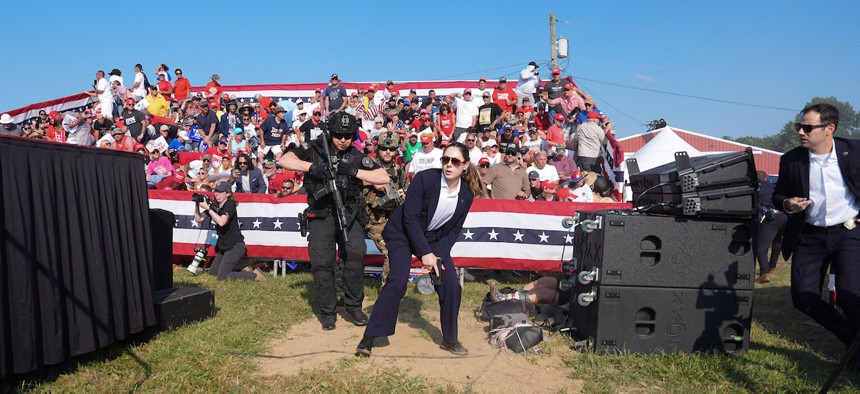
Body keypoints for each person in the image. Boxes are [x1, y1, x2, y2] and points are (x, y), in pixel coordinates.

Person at [356, 142, 484, 358]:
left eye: (455, 161)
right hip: (402, 233)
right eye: (445, 159)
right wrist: (425, 253)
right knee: (397, 280)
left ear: (465, 165)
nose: (449, 165)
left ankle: (450, 339)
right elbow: (410, 218)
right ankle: (369, 337)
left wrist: (438, 255)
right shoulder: (425, 179)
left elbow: (454, 230)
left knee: (451, 285)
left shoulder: (466, 194)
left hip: (434, 240)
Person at [278, 112, 390, 331]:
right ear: (331, 133)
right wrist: (312, 167)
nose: (343, 139)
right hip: (321, 215)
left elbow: (383, 177)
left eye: (348, 135)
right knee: (322, 263)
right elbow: (284, 160)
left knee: (355, 257)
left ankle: (354, 307)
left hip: (349, 216)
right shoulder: (314, 149)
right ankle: (328, 312)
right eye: (339, 134)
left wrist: (355, 172)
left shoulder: (356, 156)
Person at [773, 103, 860, 362]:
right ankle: (852, 339)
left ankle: (856, 355)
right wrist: (787, 204)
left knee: (849, 295)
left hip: (849, 232)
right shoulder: (790, 159)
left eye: (807, 127)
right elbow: (779, 194)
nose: (801, 131)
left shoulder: (854, 151)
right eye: (798, 126)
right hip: (809, 235)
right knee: (803, 297)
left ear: (829, 129)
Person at [194, 181, 267, 282]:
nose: (216, 194)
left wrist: (208, 208)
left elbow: (222, 222)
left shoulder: (230, 204)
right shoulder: (214, 206)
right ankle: (242, 268)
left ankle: (253, 276)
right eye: (215, 191)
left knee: (222, 276)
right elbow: (199, 219)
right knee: (213, 272)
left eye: (220, 192)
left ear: (227, 193)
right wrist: (197, 205)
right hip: (224, 247)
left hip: (235, 246)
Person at [363, 131, 408, 285]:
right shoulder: (368, 166)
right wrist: (372, 182)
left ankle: (389, 291)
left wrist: (402, 196)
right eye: (384, 148)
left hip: (389, 220)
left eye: (391, 149)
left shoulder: (399, 171)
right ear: (378, 149)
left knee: (395, 250)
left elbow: (404, 190)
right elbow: (353, 183)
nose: (388, 152)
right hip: (368, 218)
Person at [755, 170, 787, 284]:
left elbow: (757, 207)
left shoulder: (757, 190)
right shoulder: (773, 186)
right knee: (777, 242)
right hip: (785, 216)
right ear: (766, 178)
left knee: (761, 248)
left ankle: (764, 273)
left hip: (772, 218)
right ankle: (772, 267)